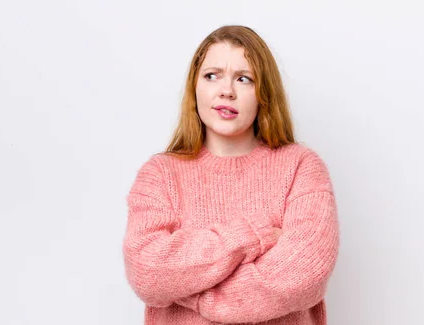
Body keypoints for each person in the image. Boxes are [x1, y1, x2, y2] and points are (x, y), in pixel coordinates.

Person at [123, 25, 339, 325]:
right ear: (194, 87)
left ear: (264, 93)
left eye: (244, 78)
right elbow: (147, 272)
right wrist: (255, 237)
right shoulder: (160, 174)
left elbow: (303, 275)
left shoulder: (301, 167)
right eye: (212, 75)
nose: (227, 90)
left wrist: (194, 291)